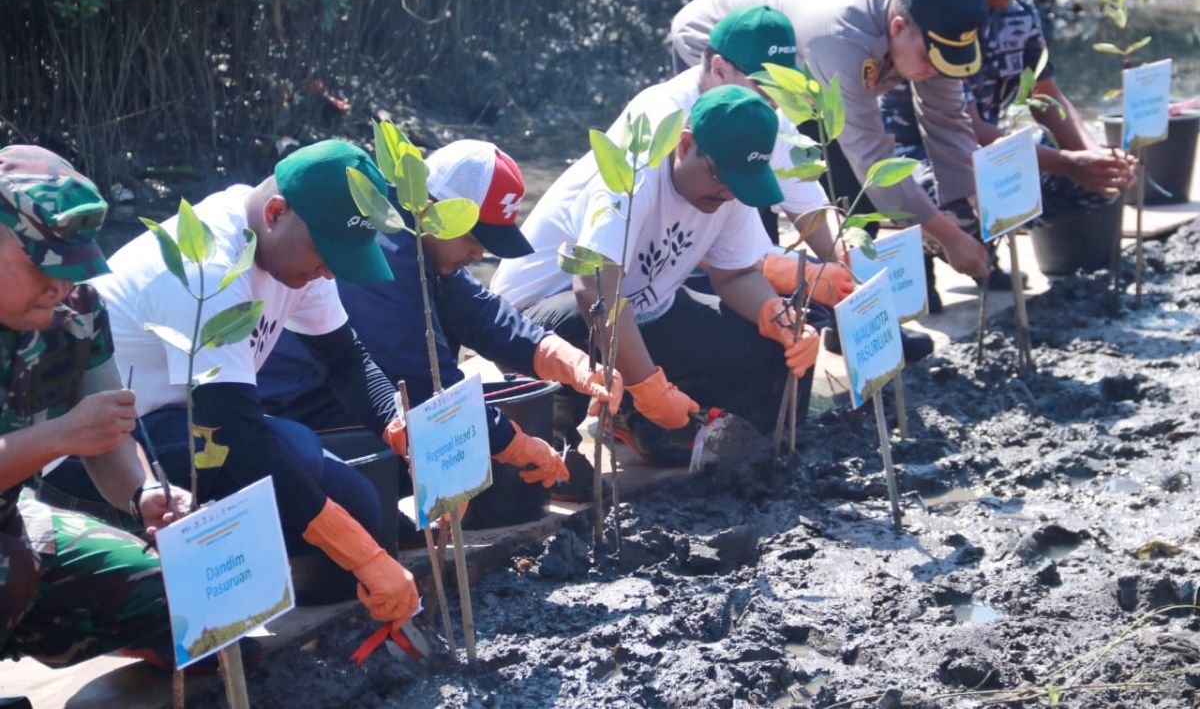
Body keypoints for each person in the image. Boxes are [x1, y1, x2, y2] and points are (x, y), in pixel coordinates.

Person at [43, 140, 419, 629]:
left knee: (364, 506)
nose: (329, 270)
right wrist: (362, 555)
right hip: (97, 456)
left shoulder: (294, 252)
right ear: (277, 212)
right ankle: (162, 583)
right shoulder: (211, 268)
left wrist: (402, 429)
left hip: (186, 427)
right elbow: (236, 436)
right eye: (327, 254)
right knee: (299, 457)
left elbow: (345, 361)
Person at [257, 139, 609, 507]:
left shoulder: (423, 242)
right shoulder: (384, 249)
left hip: (348, 394)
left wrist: (576, 365)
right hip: (299, 408)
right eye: (474, 238)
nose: (480, 254)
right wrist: (512, 444)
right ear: (430, 209)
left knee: (484, 446)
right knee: (474, 461)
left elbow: (484, 316)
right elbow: (424, 382)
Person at [491, 86, 820, 465]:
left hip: (639, 313)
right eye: (720, 177)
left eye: (740, 184)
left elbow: (735, 276)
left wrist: (776, 317)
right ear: (684, 146)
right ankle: (559, 444)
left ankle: (637, 422)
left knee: (766, 347)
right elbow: (594, 290)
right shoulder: (631, 176)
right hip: (537, 322)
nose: (728, 193)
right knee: (591, 316)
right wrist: (649, 388)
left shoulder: (729, 192)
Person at [670, 0, 994, 287]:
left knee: (856, 201)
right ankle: (748, 302)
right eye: (929, 60)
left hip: (800, 70)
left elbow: (948, 122)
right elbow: (872, 164)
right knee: (745, 194)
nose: (934, 73)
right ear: (897, 27)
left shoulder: (932, 17)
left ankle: (865, 307)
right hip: (721, 41)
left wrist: (970, 215)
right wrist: (950, 238)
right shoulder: (841, 39)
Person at [879, 0, 1137, 309]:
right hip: (918, 157)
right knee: (956, 199)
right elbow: (965, 126)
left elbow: (1046, 93)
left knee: (1095, 186)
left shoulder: (1021, 10)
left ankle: (984, 253)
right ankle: (923, 256)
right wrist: (1068, 161)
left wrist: (1092, 157)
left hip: (982, 154)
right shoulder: (931, 10)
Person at [0, 145, 191, 670]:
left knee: (178, 600)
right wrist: (60, 436)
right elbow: (74, 433)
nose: (60, 285)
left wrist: (143, 492)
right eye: (41, 265)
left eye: (71, 267)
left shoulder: (75, 309)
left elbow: (105, 433)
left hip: (11, 519)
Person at [657, 3, 933, 361]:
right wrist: (790, 273)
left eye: (783, 87)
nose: (776, 101)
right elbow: (677, 240)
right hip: (668, 273)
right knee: (754, 341)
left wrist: (846, 269)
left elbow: (811, 208)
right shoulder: (668, 118)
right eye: (765, 87)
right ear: (719, 69)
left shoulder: (769, 113)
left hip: (733, 256)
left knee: (807, 317)